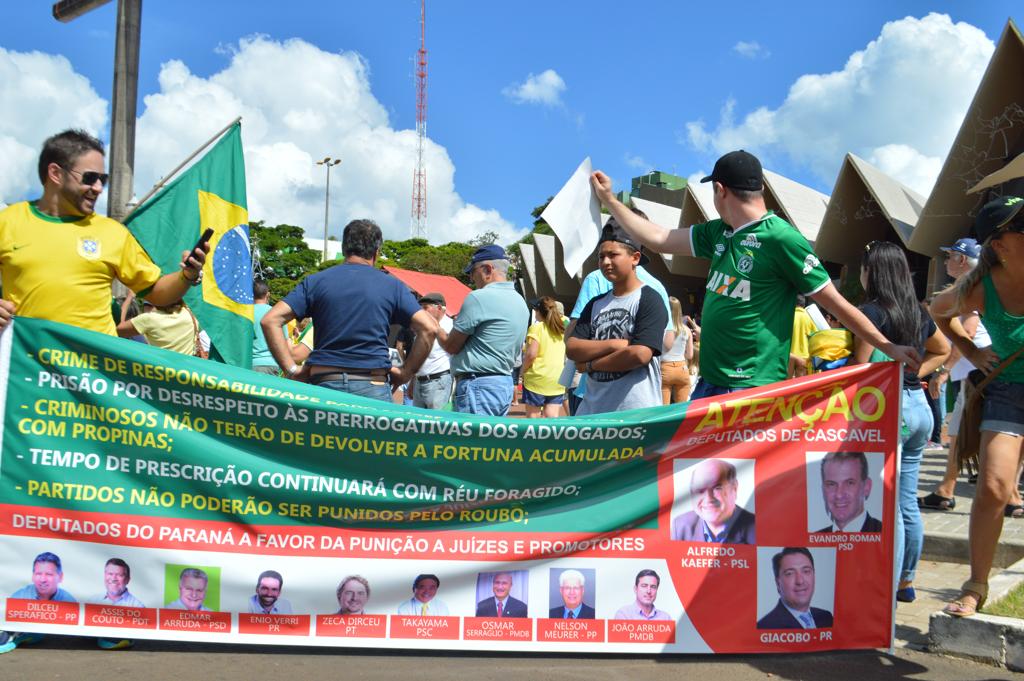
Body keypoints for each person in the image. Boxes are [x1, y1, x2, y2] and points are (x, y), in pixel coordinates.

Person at [590, 150, 921, 399]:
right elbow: (657, 237)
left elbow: (834, 302)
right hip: (710, 381)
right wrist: (609, 199)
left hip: (750, 386)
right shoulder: (718, 232)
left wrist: (887, 346)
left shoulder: (781, 238)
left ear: (721, 190)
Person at [0, 129, 209, 335]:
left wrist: (187, 276)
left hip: (93, 366)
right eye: (90, 178)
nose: (99, 188)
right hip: (27, 364)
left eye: (103, 179)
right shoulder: (8, 221)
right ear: (55, 173)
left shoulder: (113, 233)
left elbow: (156, 293)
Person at [932, 196, 1024, 617]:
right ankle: (976, 585)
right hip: (1008, 390)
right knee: (992, 489)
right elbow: (937, 312)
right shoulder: (981, 286)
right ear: (1000, 245)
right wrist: (970, 348)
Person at [852, 241, 949, 604]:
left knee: (887, 505)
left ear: (871, 271)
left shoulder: (870, 313)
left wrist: (890, 377)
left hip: (889, 410)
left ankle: (884, 593)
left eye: (862, 268)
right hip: (920, 407)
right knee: (907, 502)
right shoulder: (917, 311)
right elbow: (943, 349)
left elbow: (860, 372)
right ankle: (905, 582)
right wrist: (913, 372)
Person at [261, 219, 438, 400]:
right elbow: (429, 328)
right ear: (376, 253)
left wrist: (291, 369)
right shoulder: (393, 286)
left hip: (324, 385)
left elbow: (270, 320)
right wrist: (406, 373)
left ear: (345, 249)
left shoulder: (315, 282)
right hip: (373, 386)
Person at [566, 221, 668, 414]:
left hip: (635, 414)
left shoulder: (649, 299)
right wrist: (617, 344)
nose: (605, 262)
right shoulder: (595, 304)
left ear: (635, 258)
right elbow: (572, 348)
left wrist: (590, 365)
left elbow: (640, 354)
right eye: (601, 256)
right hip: (593, 411)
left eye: (613, 255)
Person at [920, 238, 992, 511]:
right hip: (980, 374)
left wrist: (944, 370)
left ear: (962, 260)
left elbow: (969, 331)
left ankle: (947, 490)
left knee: (960, 431)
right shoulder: (974, 286)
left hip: (978, 375)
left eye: (950, 256)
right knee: (968, 431)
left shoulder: (970, 288)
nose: (946, 261)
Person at [438, 245, 530, 416]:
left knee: (472, 442)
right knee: (490, 442)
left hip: (478, 385)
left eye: (473, 272)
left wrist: (434, 328)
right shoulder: (520, 302)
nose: (472, 278)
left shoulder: (478, 298)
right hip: (503, 383)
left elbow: (451, 346)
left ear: (488, 269)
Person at [0, 552, 77, 654]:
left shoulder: (69, 601)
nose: (43, 579)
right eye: (38, 574)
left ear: (60, 577)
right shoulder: (20, 597)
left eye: (49, 574)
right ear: (32, 576)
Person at [671, 459, 756, 544]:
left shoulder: (757, 528)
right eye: (700, 490)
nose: (708, 498)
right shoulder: (680, 527)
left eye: (717, 488)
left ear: (734, 488)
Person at [757, 548, 832, 629]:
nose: (800, 581)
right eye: (790, 573)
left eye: (806, 571)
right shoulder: (766, 627)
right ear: (778, 583)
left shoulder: (826, 617)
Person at [521, 297, 567, 418]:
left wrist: (523, 371)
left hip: (537, 378)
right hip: (557, 377)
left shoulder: (536, 328)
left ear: (539, 312)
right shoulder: (562, 328)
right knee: (552, 417)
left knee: (533, 418)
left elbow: (531, 354)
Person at [814, 452, 882, 533]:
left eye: (849, 483)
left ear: (866, 487)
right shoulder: (810, 542)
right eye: (831, 484)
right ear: (823, 489)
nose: (839, 495)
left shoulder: (887, 535)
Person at [412, 293, 454, 409]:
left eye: (425, 307)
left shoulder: (451, 327)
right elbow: (418, 357)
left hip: (439, 382)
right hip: (419, 381)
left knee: (436, 422)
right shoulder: (422, 327)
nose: (422, 312)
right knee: (417, 423)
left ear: (439, 308)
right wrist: (412, 383)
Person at [91, 558, 142, 651]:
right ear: (104, 575)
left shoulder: (138, 607)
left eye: (119, 575)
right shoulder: (92, 601)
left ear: (127, 580)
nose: (113, 579)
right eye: (110, 574)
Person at [116, 297, 197, 354]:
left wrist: (129, 298)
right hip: (186, 372)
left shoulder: (149, 319)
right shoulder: (190, 314)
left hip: (159, 372)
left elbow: (118, 330)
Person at [661, 296, 694, 403]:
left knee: (662, 411)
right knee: (681, 409)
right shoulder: (687, 330)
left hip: (664, 368)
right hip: (682, 368)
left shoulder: (661, 328)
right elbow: (689, 356)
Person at [251, 280, 284, 374]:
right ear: (268, 294)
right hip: (272, 363)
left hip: (250, 363)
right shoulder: (277, 313)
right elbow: (285, 342)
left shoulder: (245, 314)